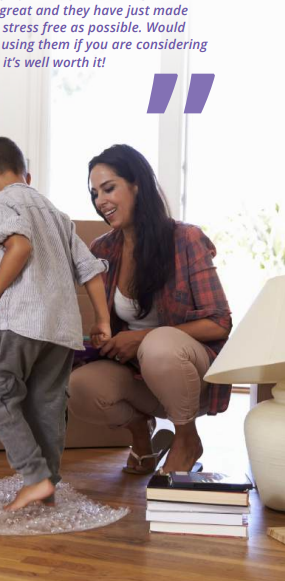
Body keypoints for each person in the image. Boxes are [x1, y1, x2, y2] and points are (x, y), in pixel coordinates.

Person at [68, 144, 232, 475]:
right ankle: (141, 436)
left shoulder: (186, 239)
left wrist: (142, 338)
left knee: (158, 347)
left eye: (109, 188)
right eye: (95, 193)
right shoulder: (102, 249)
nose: (101, 201)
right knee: (78, 387)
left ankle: (187, 440)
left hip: (187, 373)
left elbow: (220, 322)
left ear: (137, 185)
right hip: (139, 373)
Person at [0, 137, 110, 511]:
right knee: (45, 404)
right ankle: (48, 482)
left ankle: (33, 478)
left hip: (19, 318)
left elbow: (19, 246)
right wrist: (102, 320)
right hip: (62, 328)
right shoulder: (57, 214)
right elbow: (91, 269)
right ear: (26, 175)